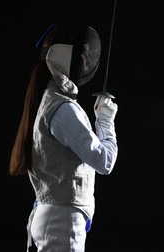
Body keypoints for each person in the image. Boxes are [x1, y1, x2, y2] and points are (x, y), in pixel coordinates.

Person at [9, 20, 118, 252]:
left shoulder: (48, 100)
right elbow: (104, 162)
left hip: (54, 217)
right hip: (61, 222)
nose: (86, 61)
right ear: (64, 56)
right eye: (83, 55)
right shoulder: (63, 108)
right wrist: (106, 120)